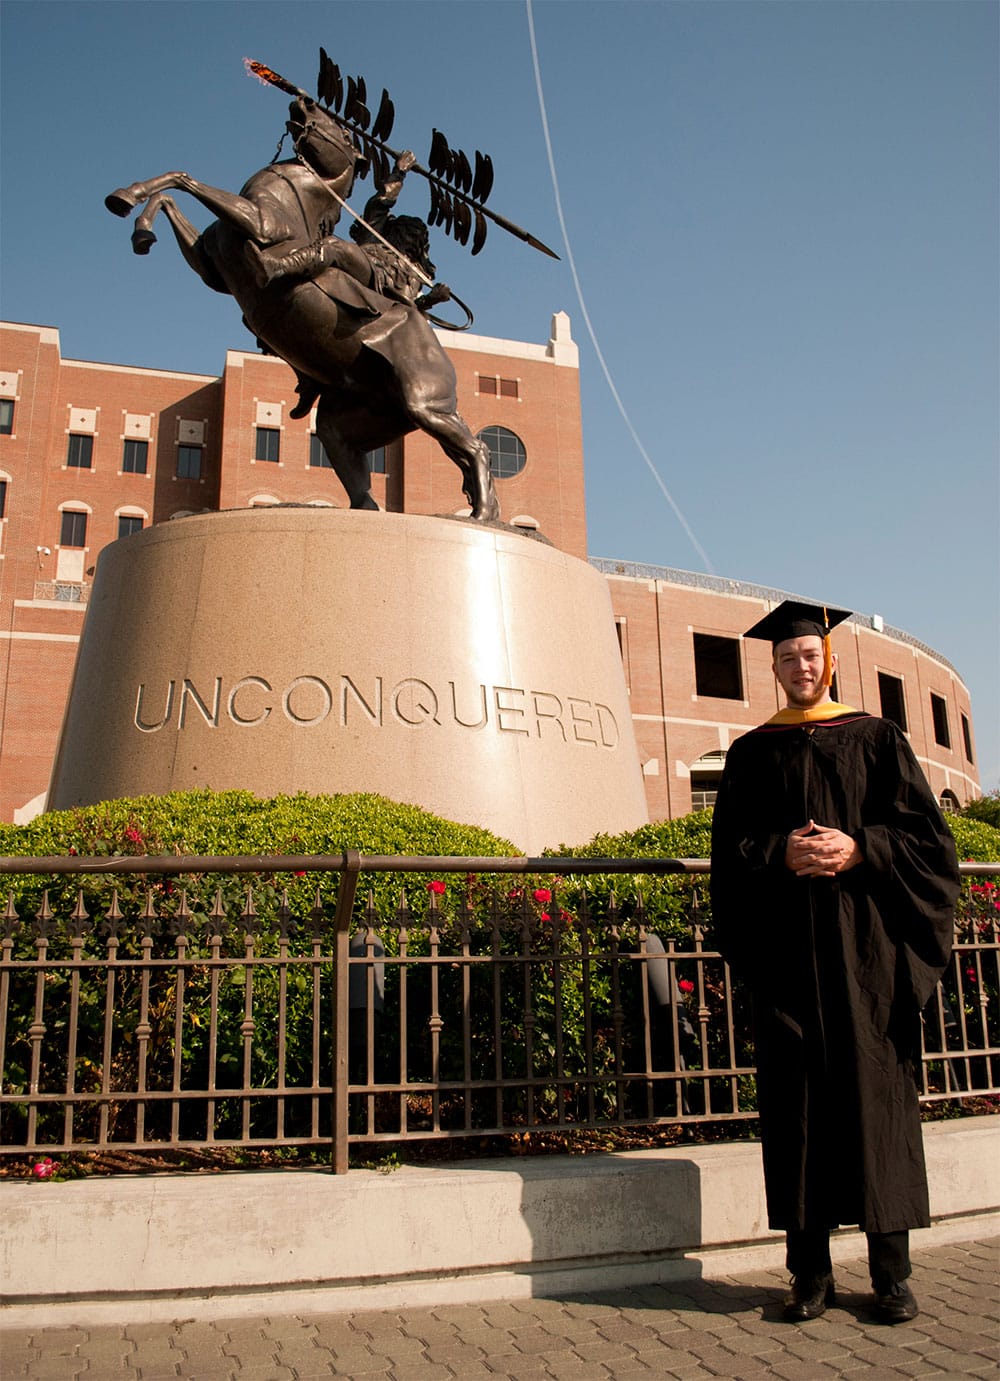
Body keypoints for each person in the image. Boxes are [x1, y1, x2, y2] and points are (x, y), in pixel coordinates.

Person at [710, 600, 959, 1325]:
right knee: (798, 1111)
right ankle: (808, 1275)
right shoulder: (752, 752)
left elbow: (931, 845)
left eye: (809, 655)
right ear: (776, 666)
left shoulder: (877, 738)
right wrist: (779, 851)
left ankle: (891, 1275)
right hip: (789, 957)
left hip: (867, 955)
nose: (800, 665)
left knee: (877, 1107)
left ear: (830, 662)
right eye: (787, 657)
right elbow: (731, 855)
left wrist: (861, 847)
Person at [246, 150, 451, 417]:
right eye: (405, 231)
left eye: (413, 235)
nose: (408, 237)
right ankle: (306, 375)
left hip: (381, 295)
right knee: (260, 312)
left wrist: (432, 299)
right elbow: (380, 203)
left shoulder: (414, 273)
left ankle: (278, 267)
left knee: (334, 246)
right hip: (362, 273)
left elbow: (409, 311)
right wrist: (398, 173)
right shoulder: (374, 238)